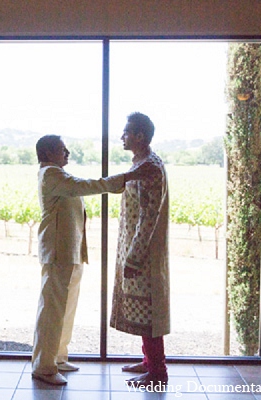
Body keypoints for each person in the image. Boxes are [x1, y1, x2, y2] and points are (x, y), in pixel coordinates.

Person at [31, 134, 150, 386]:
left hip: (69, 252)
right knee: (52, 311)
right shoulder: (51, 175)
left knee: (66, 307)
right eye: (63, 149)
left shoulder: (56, 174)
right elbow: (86, 185)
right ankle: (44, 366)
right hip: (57, 252)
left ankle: (58, 358)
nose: (68, 153)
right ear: (50, 152)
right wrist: (124, 178)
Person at [110, 112, 170, 386]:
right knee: (143, 310)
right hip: (135, 247)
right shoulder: (141, 164)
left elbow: (149, 216)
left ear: (140, 136)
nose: (121, 137)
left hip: (144, 252)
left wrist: (134, 257)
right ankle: (148, 362)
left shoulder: (151, 168)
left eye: (126, 132)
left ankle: (158, 372)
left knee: (150, 311)